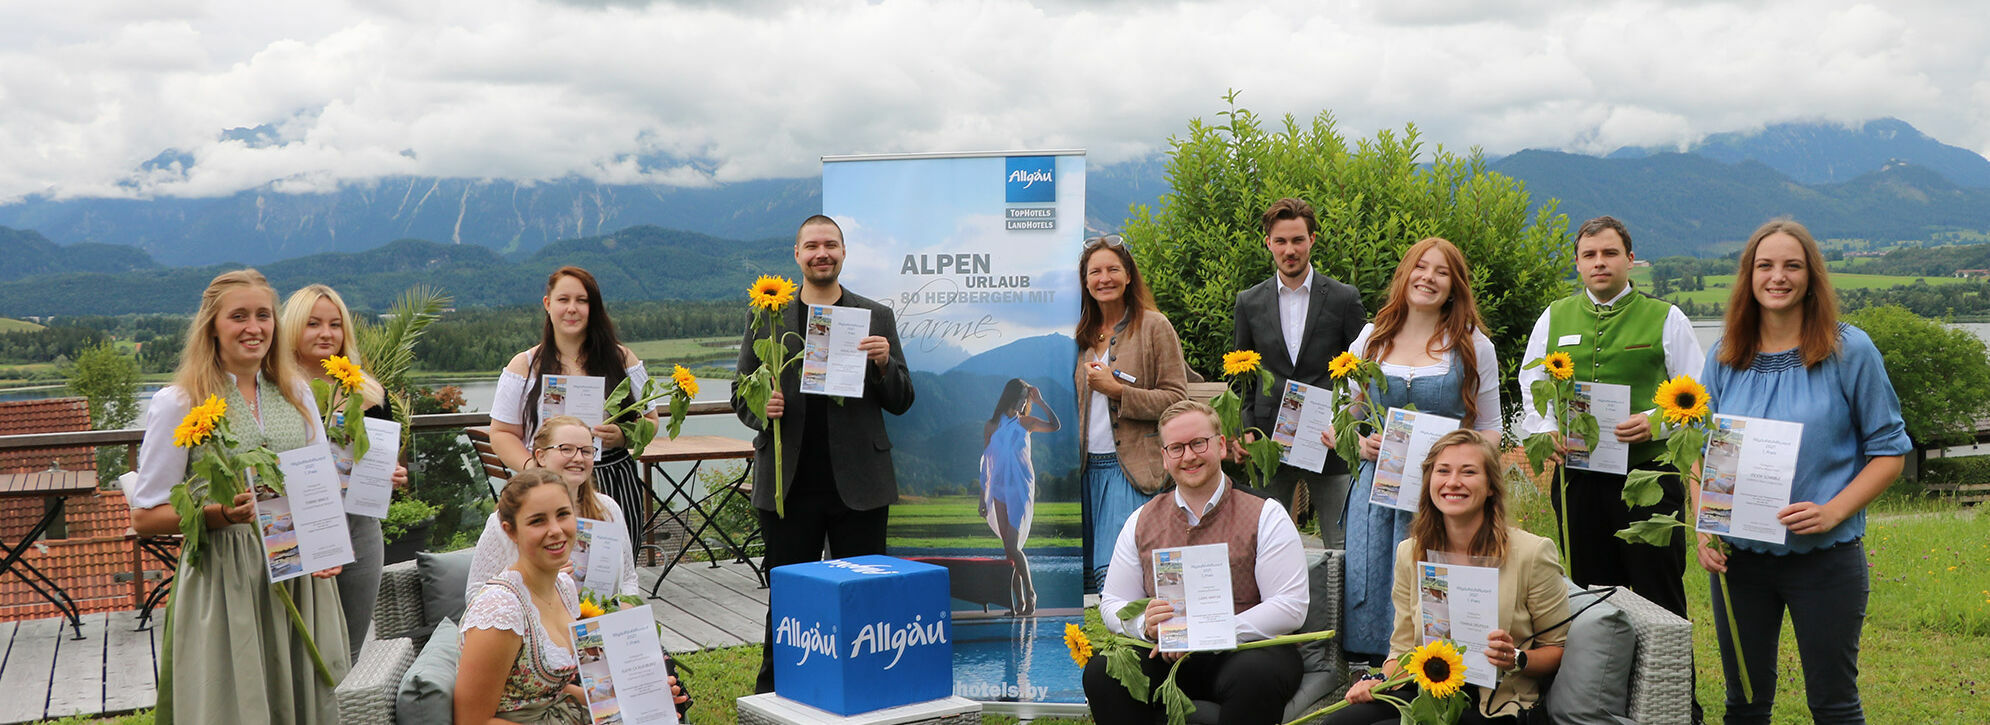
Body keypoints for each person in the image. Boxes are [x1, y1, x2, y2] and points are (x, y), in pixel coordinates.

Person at [1699, 220, 1908, 724]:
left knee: (1833, 705)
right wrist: (1705, 528)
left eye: (1792, 265)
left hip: (1825, 561)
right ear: (1748, 276)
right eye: (1765, 266)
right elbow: (1704, 454)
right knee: (1744, 705)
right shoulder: (1726, 353)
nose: (1778, 277)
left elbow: (1890, 452)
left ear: (1811, 276)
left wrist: (1833, 511)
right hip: (1740, 564)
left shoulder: (1849, 350)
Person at [128, 269, 350, 724]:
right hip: (225, 578)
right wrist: (219, 515)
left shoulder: (297, 393)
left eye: (264, 315)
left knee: (305, 697)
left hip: (298, 574)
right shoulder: (180, 402)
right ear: (212, 325)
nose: (255, 327)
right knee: (236, 703)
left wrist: (326, 547)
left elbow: (315, 487)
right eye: (239, 316)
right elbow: (146, 516)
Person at [731, 214, 915, 694]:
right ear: (797, 255)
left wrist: (882, 365)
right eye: (812, 246)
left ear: (843, 252)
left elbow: (901, 399)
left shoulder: (876, 315)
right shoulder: (765, 315)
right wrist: (760, 406)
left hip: (861, 482)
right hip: (788, 484)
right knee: (789, 600)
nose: (822, 253)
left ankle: (871, 689)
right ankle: (775, 695)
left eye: (830, 245)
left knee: (866, 598)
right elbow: (739, 394)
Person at [1518, 216, 1703, 620]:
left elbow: (1700, 395)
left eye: (1609, 253)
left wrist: (1657, 421)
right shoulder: (1554, 316)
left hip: (1650, 477)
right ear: (1578, 264)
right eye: (1590, 255)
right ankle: (1601, 684)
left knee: (1660, 595)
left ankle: (1669, 683)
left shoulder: (1667, 318)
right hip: (1579, 479)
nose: (1599, 262)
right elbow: (1531, 384)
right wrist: (1545, 429)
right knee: (1590, 596)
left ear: (1630, 259)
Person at [1083, 399, 1307, 724]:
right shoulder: (1141, 520)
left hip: (1246, 651)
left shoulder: (1266, 514)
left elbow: (1290, 606)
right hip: (1166, 654)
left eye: (1198, 443)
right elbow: (1114, 601)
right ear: (1164, 457)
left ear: (1220, 446)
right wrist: (1142, 625)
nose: (1188, 456)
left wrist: (1209, 633)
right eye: (1176, 448)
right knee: (1105, 671)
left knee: (1255, 675)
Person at [1331, 237, 1500, 665]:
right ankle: (1372, 677)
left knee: (1438, 591)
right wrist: (1361, 441)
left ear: (1455, 285)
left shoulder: (1473, 344)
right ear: (1405, 273)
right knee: (1370, 584)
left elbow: (1491, 430)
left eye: (1442, 272)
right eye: (1421, 267)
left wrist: (1464, 474)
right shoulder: (1370, 339)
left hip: (1445, 494)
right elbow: (1342, 421)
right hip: (1377, 492)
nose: (1428, 278)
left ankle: (1440, 676)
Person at [1326, 430, 1571, 725]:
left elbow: (1559, 649)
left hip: (1496, 701)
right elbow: (1403, 649)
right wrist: (1376, 679)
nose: (1453, 482)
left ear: (1491, 485)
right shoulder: (1411, 552)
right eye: (1443, 471)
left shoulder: (1532, 553)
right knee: (1340, 722)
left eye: (1468, 472)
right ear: (1430, 481)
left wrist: (1516, 657)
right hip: (1428, 690)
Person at [455, 469, 689, 723]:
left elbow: (551, 691)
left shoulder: (564, 588)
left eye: (563, 515)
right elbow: (471, 721)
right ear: (510, 531)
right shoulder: (500, 611)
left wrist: (638, 703)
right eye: (537, 521)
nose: (555, 530)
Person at [279, 283, 412, 658]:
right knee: (297, 652)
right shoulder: (275, 394)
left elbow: (382, 465)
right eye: (313, 324)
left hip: (359, 528)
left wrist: (393, 477)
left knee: (347, 651)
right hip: (296, 530)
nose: (326, 333)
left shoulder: (369, 394)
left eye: (335, 324)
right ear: (292, 329)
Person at [1231, 198, 1367, 544]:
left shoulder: (1343, 298)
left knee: (1342, 542)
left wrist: (1348, 429)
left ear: (1312, 240)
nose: (1289, 250)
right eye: (1281, 241)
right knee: (1264, 543)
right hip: (1268, 442)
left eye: (1297, 240)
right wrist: (1247, 430)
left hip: (1329, 440)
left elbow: (1361, 371)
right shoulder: (1248, 302)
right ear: (1268, 244)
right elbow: (1241, 378)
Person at [490, 266, 658, 545]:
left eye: (582, 300)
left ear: (593, 308)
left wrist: (624, 435)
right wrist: (532, 465)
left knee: (611, 574)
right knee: (550, 569)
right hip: (543, 483)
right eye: (563, 300)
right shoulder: (524, 365)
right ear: (547, 305)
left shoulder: (622, 358)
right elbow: (501, 432)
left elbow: (652, 420)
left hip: (612, 480)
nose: (572, 309)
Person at [1075, 234, 1189, 590]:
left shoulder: (1155, 326)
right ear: (1085, 281)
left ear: (1128, 276)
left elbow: (1176, 399)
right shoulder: (1079, 335)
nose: (1104, 278)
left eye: (1113, 269)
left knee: (1119, 576)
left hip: (1133, 471)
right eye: (1095, 272)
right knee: (1085, 586)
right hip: (1083, 471)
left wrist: (1119, 392)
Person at [465, 416, 640, 601]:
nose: (578, 458)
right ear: (540, 456)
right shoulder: (508, 519)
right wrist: (534, 581)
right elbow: (475, 594)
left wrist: (627, 608)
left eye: (587, 451)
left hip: (598, 624)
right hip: (536, 625)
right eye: (566, 449)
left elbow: (628, 578)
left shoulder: (608, 508)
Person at [979, 378, 1061, 615]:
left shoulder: (1026, 423)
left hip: (1021, 489)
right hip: (999, 490)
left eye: (1026, 398)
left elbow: (1055, 425)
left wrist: (1041, 401)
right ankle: (1018, 604)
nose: (1023, 401)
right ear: (1010, 396)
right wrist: (981, 497)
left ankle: (1031, 593)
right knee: (1008, 550)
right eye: (1021, 396)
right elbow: (986, 464)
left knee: (1014, 547)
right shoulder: (991, 426)